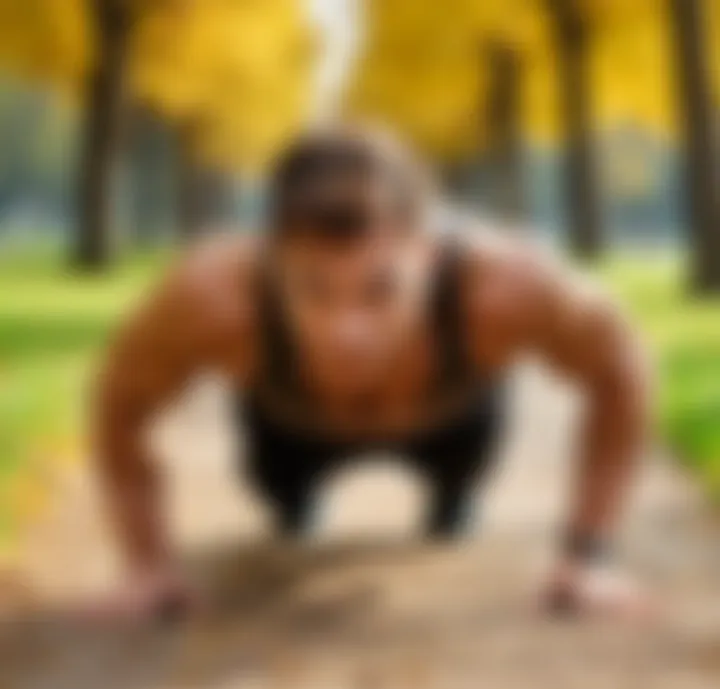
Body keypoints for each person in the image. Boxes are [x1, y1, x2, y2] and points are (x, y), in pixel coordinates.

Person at [92, 127, 652, 621]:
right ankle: (296, 500)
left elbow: (619, 367)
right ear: (272, 257)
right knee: (286, 510)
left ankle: (452, 499)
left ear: (428, 255)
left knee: (455, 508)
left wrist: (589, 555)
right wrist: (146, 566)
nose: (346, 331)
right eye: (314, 289)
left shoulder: (509, 283)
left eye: (379, 290)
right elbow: (120, 401)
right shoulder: (208, 295)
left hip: (453, 426)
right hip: (289, 432)